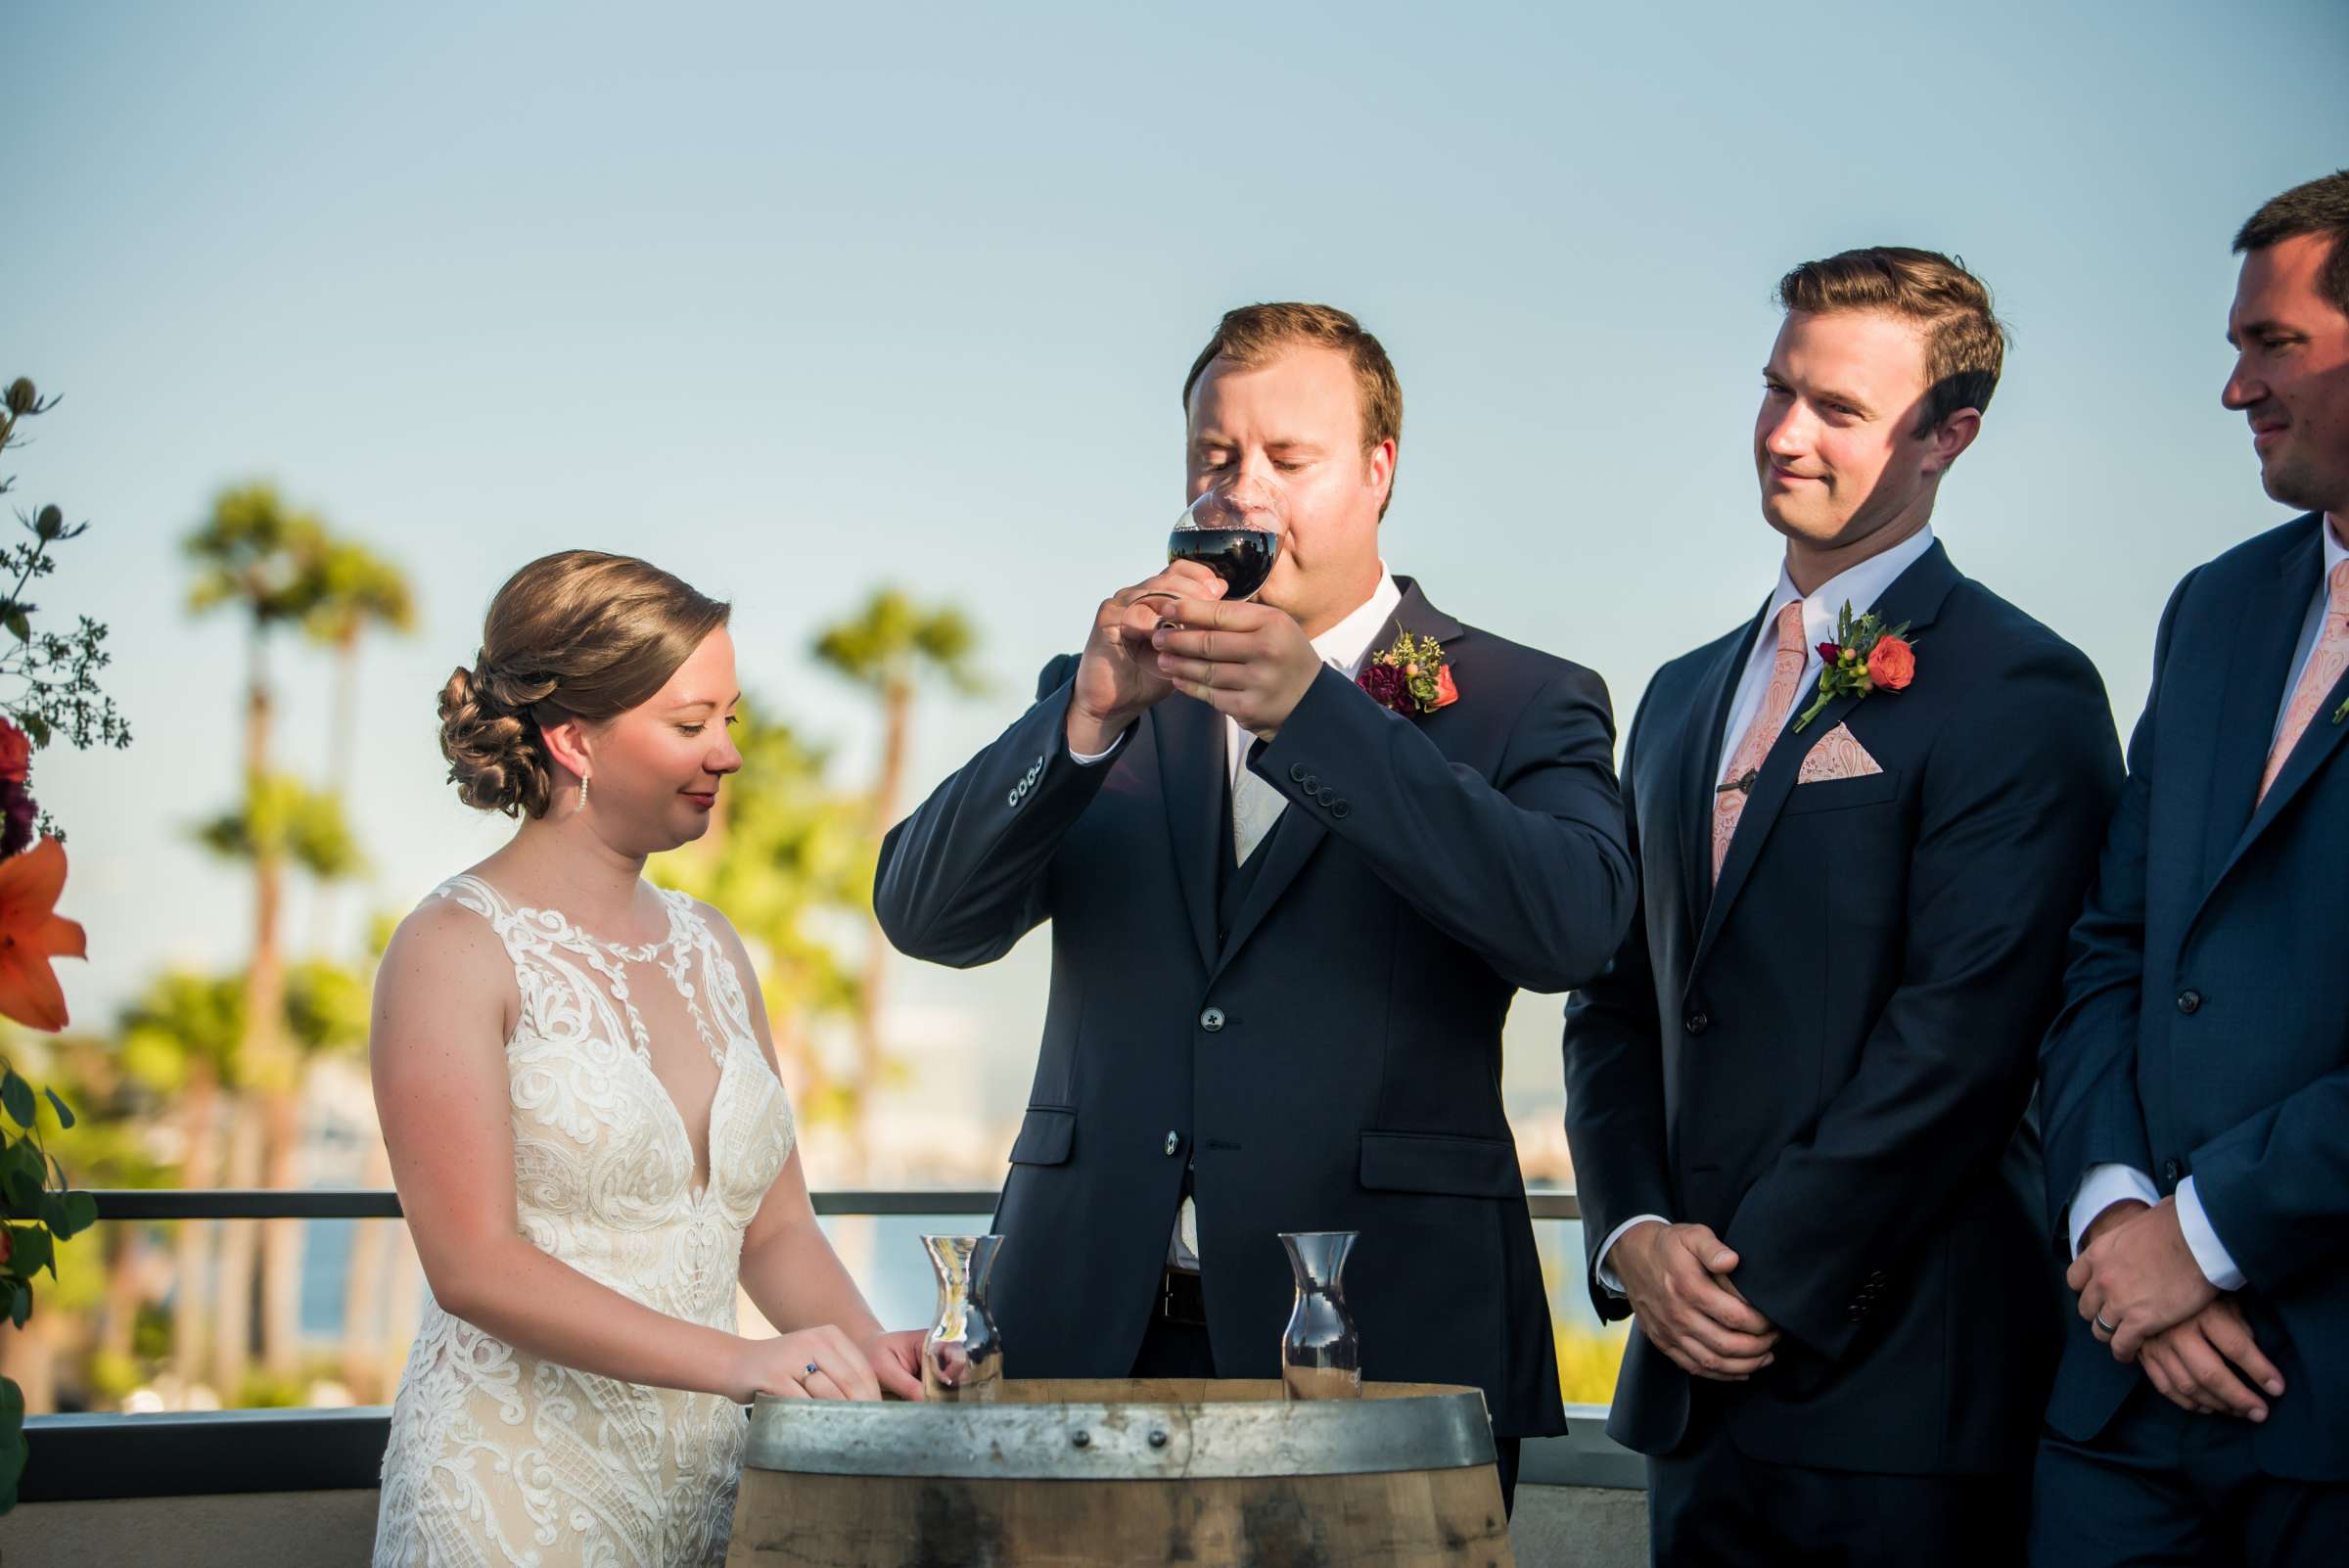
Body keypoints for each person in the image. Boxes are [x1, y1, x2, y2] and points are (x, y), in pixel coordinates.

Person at [874, 302, 1635, 1509]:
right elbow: (925, 915)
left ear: (1379, 471)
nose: (1242, 492)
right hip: (1087, 1335)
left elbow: (1575, 928)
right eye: (1215, 460)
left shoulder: (1523, 700)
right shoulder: (1117, 695)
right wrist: (1083, 715)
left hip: (1382, 1342)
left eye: (1290, 459)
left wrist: (1318, 719)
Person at [1562, 249, 2122, 1564]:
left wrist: (1756, 1279)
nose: (1784, 434)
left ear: (1949, 436)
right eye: (1776, 388)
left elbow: (1963, 1040)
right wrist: (1636, 1235)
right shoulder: (1682, 692)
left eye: (1838, 409)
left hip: (1903, 1390)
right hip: (1692, 1395)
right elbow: (1616, 999)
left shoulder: (2023, 686)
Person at [370, 551, 924, 1568]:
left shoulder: (712, 946)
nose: (727, 753)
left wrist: (867, 1354)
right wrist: (746, 1362)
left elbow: (775, 1231)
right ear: (574, 738)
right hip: (509, 1495)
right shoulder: (450, 947)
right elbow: (472, 1266)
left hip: (699, 1503)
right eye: (688, 724)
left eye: (731, 720)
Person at [2033, 168, 2349, 1567]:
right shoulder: (2215, 606)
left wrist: (2208, 1237)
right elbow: (2114, 945)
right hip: (2122, 1417)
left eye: (2271, 344)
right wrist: (2117, 1225)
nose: (2234, 389)